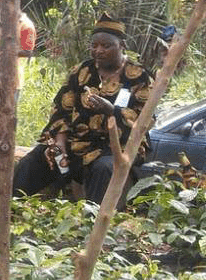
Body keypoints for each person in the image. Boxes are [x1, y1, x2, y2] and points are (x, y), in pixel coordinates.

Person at [13, 13, 155, 206]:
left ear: (121, 45)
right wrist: (60, 144)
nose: (99, 51)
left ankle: (93, 223)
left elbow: (145, 121)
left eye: (106, 46)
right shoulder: (81, 71)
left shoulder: (140, 77)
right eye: (94, 46)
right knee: (34, 161)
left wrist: (111, 110)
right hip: (76, 142)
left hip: (117, 146)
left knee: (104, 168)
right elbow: (60, 111)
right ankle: (8, 208)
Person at [0, 11, 36, 103]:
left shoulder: (26, 26)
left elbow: (27, 52)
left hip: (12, 80)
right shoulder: (6, 23)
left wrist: (2, 50)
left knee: (7, 112)